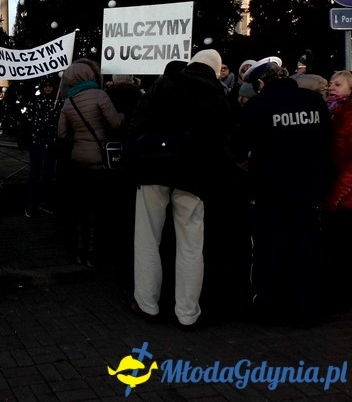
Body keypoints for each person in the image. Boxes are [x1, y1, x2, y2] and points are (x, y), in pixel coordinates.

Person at [126, 49, 232, 329]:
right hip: (195, 175)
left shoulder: (166, 82)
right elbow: (223, 142)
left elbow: (136, 122)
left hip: (154, 169)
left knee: (148, 238)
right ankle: (187, 312)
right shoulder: (218, 93)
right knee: (191, 245)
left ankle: (147, 304)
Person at [233, 56, 334, 326]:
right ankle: (306, 308)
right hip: (308, 190)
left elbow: (239, 147)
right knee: (306, 249)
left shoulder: (259, 105)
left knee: (269, 249)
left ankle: (271, 307)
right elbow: (327, 143)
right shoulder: (314, 102)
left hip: (270, 190)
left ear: (261, 82)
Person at [57, 59, 124, 266]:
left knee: (80, 207)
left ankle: (79, 252)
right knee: (96, 208)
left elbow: (61, 134)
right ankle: (93, 255)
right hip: (99, 161)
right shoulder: (100, 95)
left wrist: (78, 141)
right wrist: (122, 115)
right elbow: (115, 123)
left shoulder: (69, 102)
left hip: (78, 160)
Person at [321, 70, 352, 310]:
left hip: (345, 195)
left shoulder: (347, 115)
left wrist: (338, 196)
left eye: (338, 84)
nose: (332, 87)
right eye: (331, 83)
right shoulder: (333, 113)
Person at [24, 77, 63, 218]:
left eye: (50, 86)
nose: (48, 89)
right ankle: (31, 205)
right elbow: (30, 119)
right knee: (35, 173)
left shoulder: (58, 102)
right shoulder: (36, 101)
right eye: (45, 86)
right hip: (37, 142)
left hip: (52, 143)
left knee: (48, 173)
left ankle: (45, 202)